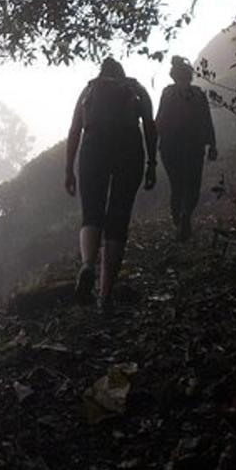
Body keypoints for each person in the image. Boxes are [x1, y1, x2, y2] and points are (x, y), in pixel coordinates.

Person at [64, 57, 157, 310]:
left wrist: (69, 170)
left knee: (91, 214)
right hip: (129, 149)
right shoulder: (136, 90)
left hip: (93, 148)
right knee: (118, 219)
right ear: (123, 74)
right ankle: (105, 296)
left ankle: (87, 265)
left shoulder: (89, 89)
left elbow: (74, 130)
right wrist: (152, 164)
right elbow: (150, 126)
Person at [155, 56, 218, 241]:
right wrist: (212, 145)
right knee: (192, 186)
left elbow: (159, 121)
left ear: (173, 76)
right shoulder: (198, 94)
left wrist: (152, 148)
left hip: (169, 148)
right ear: (190, 75)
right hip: (194, 146)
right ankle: (185, 215)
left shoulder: (167, 94)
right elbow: (207, 121)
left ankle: (180, 221)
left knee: (177, 186)